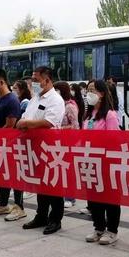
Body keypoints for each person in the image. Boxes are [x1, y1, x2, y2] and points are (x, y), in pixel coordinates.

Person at [16, 66, 66, 235]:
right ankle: (41, 215)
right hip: (34, 146)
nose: (34, 83)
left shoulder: (55, 99)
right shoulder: (34, 98)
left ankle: (55, 219)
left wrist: (27, 124)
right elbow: (25, 117)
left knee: (53, 184)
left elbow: (49, 122)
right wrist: (24, 123)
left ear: (47, 79)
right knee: (41, 183)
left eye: (36, 79)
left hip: (51, 148)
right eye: (33, 79)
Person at [83, 79, 121, 245]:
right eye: (88, 90)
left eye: (93, 90)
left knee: (110, 198)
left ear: (102, 93)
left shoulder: (110, 115)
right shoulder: (88, 115)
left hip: (105, 162)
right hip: (90, 161)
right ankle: (98, 227)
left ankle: (112, 230)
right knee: (93, 197)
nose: (89, 94)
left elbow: (113, 140)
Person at [0, 69, 26, 221]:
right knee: (1, 174)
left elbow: (10, 125)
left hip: (10, 144)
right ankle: (2, 204)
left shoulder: (12, 100)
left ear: (1, 82)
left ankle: (19, 207)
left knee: (14, 175)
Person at [54, 81, 80, 209]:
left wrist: (60, 128)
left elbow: (75, 126)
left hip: (68, 142)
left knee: (68, 171)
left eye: (56, 89)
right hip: (57, 142)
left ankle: (70, 197)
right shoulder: (56, 105)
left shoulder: (70, 106)